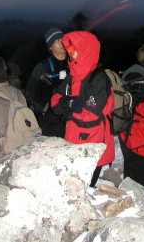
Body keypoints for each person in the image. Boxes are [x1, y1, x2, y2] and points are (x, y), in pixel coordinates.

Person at [51, 31, 115, 187]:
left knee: (84, 188)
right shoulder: (72, 76)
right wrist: (70, 103)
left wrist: (67, 106)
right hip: (72, 140)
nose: (72, 54)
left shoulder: (98, 79)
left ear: (87, 50)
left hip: (93, 144)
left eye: (76, 50)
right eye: (71, 50)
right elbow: (55, 103)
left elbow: (90, 117)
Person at [25, 27, 69, 137]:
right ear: (50, 46)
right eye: (57, 40)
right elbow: (30, 93)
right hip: (51, 120)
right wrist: (44, 108)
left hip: (72, 116)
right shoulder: (42, 67)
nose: (61, 42)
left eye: (63, 39)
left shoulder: (74, 63)